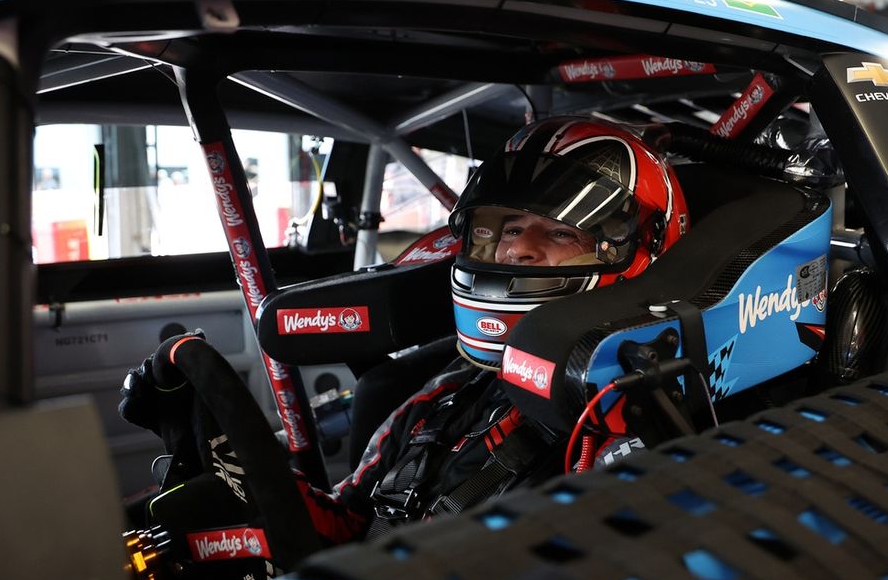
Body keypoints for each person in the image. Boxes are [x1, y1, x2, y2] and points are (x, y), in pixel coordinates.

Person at [120, 117, 690, 555]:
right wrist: (236, 480)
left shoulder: (625, 423)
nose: (517, 249)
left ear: (636, 255)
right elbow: (345, 523)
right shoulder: (436, 396)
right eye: (510, 228)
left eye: (559, 232)